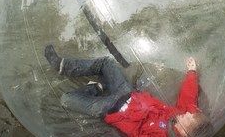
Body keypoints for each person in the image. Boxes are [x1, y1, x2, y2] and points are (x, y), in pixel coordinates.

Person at [44, 46, 213, 137]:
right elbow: (188, 96)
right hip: (128, 93)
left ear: (184, 132)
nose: (188, 113)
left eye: (190, 117)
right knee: (106, 63)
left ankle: (96, 88)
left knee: (66, 99)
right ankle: (63, 66)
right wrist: (192, 71)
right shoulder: (182, 114)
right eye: (192, 113)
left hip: (111, 109)